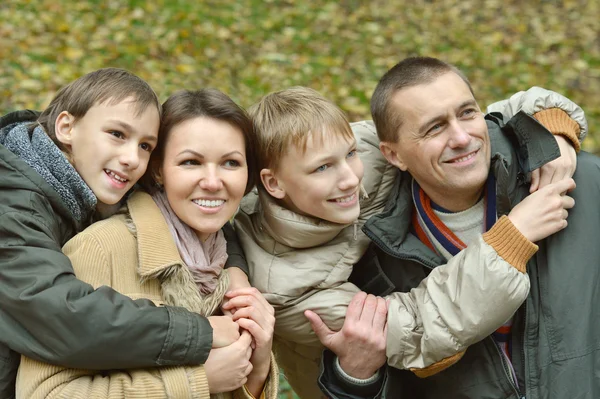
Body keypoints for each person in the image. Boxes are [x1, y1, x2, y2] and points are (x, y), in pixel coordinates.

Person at [234, 86, 585, 398]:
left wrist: (551, 130)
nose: (349, 179)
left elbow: (478, 117)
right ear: (274, 184)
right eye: (322, 169)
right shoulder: (281, 285)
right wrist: (513, 237)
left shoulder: (364, 152)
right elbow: (420, 328)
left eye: (349, 154)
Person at [317, 56, 600, 399]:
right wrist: (356, 375)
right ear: (394, 155)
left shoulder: (582, 183)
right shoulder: (370, 255)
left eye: (467, 113)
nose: (462, 137)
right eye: (434, 127)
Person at [0, 69, 249, 399]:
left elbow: (202, 207)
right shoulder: (13, 205)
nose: (133, 158)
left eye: (146, 145)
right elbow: (59, 314)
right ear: (66, 127)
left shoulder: (89, 183)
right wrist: (196, 333)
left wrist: (236, 272)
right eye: (117, 133)